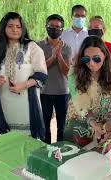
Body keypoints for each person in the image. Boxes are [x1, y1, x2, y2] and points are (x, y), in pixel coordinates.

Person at [0, 12, 48, 139]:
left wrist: (24, 85)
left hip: (26, 101)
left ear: (23, 29)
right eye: (10, 26)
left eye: (18, 26)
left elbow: (42, 74)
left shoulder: (32, 47)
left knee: (27, 139)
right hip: (4, 101)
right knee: (8, 139)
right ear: (3, 28)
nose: (15, 29)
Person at [64, 36, 111, 154]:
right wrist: (94, 125)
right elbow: (81, 103)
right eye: (86, 59)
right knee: (75, 162)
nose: (91, 63)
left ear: (105, 56)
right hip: (79, 124)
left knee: (99, 166)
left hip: (105, 126)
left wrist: (110, 123)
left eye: (96, 59)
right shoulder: (74, 73)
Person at [37, 14, 72, 144]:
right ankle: (46, 152)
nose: (54, 29)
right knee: (45, 125)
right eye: (51, 26)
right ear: (46, 27)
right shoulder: (38, 46)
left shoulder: (67, 47)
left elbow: (67, 71)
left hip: (62, 92)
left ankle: (60, 151)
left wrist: (59, 55)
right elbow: (40, 70)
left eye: (58, 27)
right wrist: (52, 56)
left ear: (62, 29)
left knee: (62, 127)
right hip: (44, 92)